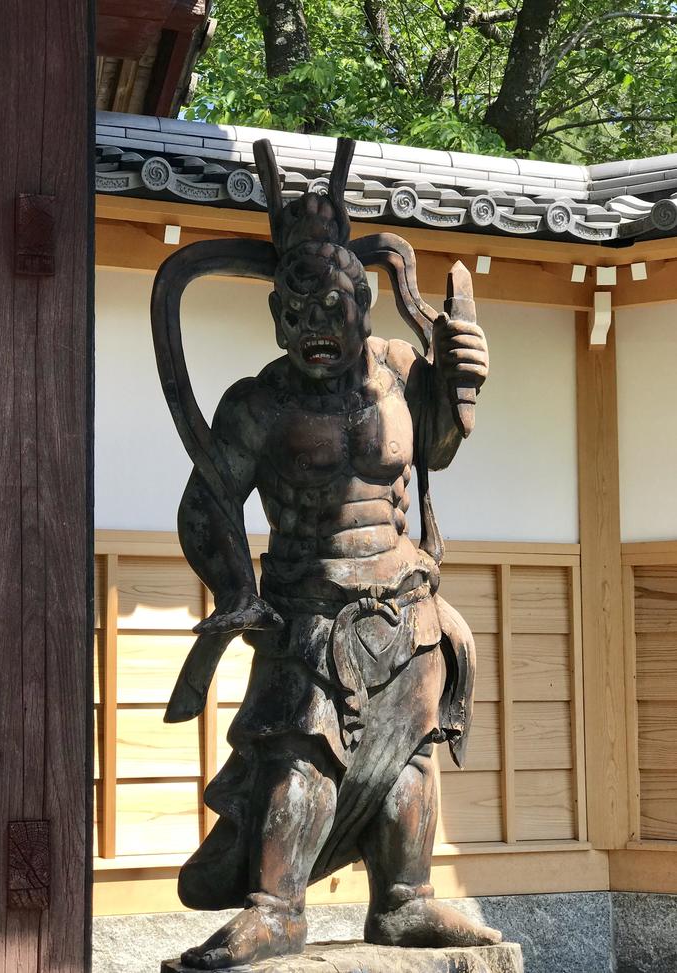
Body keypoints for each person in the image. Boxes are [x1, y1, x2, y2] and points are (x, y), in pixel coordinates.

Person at [151, 138, 501, 970]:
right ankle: (277, 907)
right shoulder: (258, 404)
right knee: (299, 754)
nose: (313, 327)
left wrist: (463, 380)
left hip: (407, 607)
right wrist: (236, 587)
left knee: (411, 754)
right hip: (309, 615)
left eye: (331, 307)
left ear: (364, 302)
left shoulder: (400, 369)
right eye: (295, 312)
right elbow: (205, 508)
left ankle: (404, 896)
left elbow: (436, 450)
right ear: (277, 315)